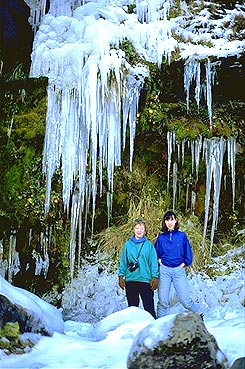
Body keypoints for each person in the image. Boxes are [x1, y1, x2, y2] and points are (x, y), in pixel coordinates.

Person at [155, 210, 201, 318]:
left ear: (176, 221)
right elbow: (154, 252)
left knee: (186, 301)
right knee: (163, 302)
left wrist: (185, 262)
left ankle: (199, 316)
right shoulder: (161, 237)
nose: (169, 222)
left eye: (172, 219)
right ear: (164, 222)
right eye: (167, 220)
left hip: (178, 270)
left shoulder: (182, 236)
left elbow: (188, 251)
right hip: (164, 271)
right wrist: (158, 260)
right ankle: (159, 324)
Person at [118, 218, 159, 318]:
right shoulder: (128, 245)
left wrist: (155, 277)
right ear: (133, 230)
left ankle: (152, 328)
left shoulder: (149, 245)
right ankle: (133, 329)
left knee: (149, 308)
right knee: (132, 309)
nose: (139, 230)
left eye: (141, 228)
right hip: (131, 280)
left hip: (145, 280)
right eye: (137, 228)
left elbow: (153, 262)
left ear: (145, 231)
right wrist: (121, 275)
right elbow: (123, 261)